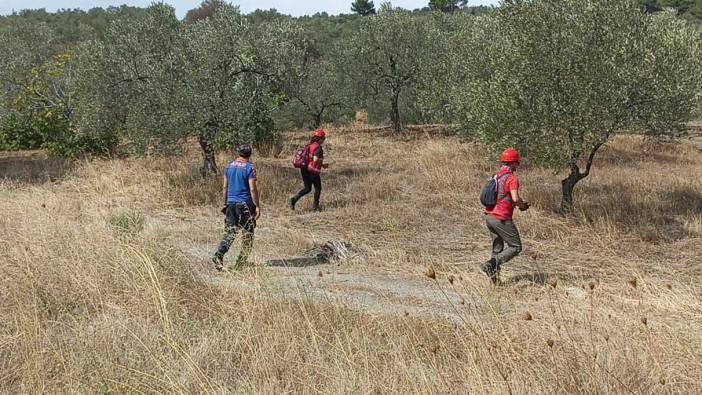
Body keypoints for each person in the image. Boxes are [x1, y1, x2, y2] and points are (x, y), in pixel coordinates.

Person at [481, 148, 530, 284]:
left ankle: (495, 282)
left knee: (497, 248)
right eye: (517, 163)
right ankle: (491, 264)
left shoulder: (495, 176)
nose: (517, 166)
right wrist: (522, 206)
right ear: (513, 162)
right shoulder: (511, 178)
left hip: (489, 216)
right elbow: (515, 198)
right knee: (516, 247)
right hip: (501, 218)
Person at [212, 144, 261, 271]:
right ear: (250, 154)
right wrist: (257, 206)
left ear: (238, 153)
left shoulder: (229, 166)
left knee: (231, 232)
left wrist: (225, 203)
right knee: (248, 234)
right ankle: (240, 262)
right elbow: (252, 188)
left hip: (231, 203)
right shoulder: (250, 168)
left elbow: (225, 187)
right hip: (245, 204)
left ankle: (219, 255)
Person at [288, 129, 328, 211]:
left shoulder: (310, 145)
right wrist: (323, 164)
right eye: (323, 138)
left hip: (304, 169)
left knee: (307, 188)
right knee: (318, 188)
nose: (324, 140)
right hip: (312, 170)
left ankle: (294, 199)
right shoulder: (318, 148)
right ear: (320, 138)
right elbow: (315, 159)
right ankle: (315, 207)